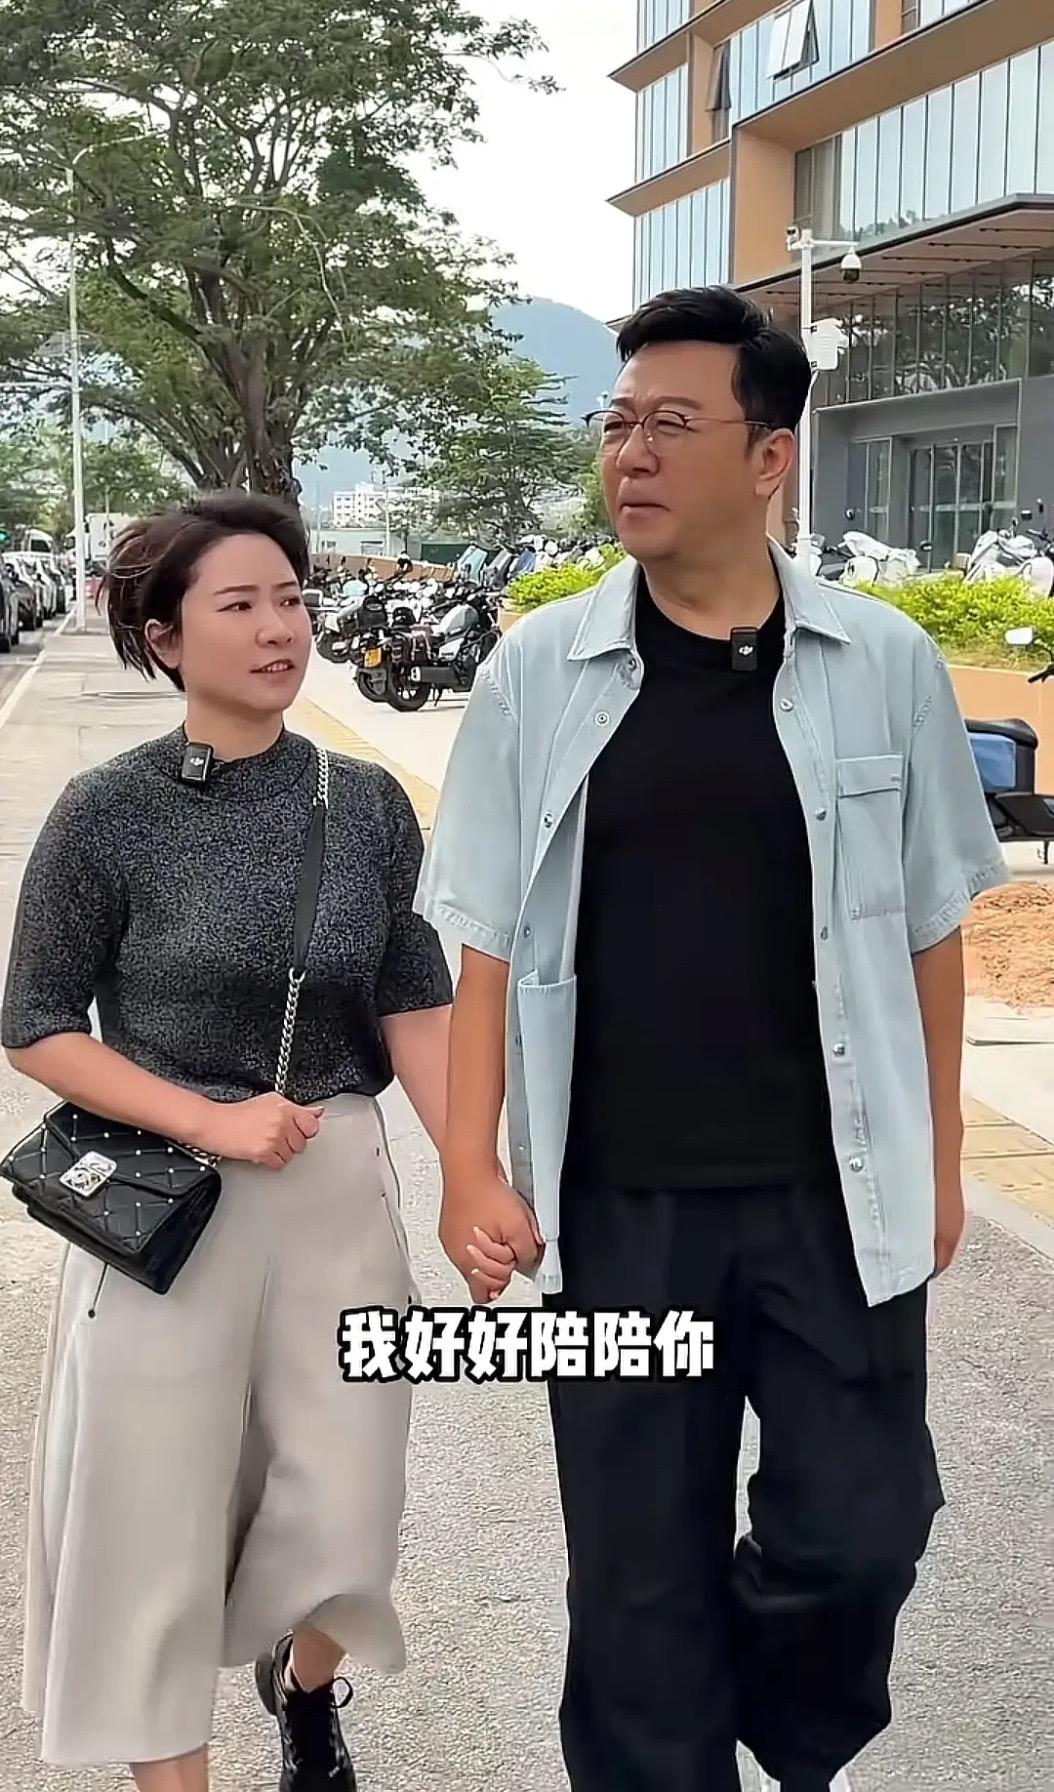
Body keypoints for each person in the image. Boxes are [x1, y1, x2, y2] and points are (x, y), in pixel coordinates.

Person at [414, 286, 1006, 1792]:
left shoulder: (885, 661)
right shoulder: (537, 671)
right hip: (620, 1210)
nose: (631, 454)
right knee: (633, 1578)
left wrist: (941, 1158)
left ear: (769, 457)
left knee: (861, 1531)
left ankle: (777, 1725)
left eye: (672, 424)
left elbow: (932, 925)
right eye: (617, 423)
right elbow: (483, 932)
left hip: (832, 1197)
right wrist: (470, 1166)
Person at [2, 492, 452, 1792]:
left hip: (335, 1196)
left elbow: (410, 994)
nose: (279, 629)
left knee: (349, 1508)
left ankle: (304, 1688)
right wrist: (209, 1117)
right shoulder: (106, 813)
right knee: (150, 1535)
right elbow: (36, 1026)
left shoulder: (365, 804)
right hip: (166, 1209)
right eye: (240, 605)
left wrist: (480, 1176)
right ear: (164, 638)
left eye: (291, 600)